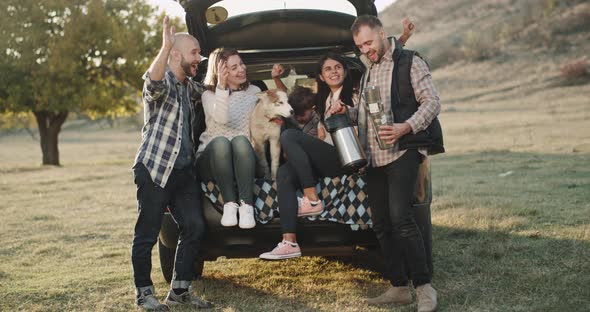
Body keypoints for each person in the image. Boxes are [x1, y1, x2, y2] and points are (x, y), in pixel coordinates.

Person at [259, 18, 416, 261]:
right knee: (285, 174)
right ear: (320, 77)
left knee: (291, 136)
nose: (333, 72)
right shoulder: (320, 102)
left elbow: (385, 59)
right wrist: (277, 79)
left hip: (348, 157)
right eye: (327, 69)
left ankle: (312, 199)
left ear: (344, 70)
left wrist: (403, 38)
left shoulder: (357, 91)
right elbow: (289, 103)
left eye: (337, 67)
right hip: (326, 157)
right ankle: (289, 241)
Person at [351, 15, 441, 312]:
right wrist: (349, 111)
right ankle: (399, 287)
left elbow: (431, 102)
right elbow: (367, 114)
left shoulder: (410, 61)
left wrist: (406, 127)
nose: (365, 49)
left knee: (401, 218)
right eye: (360, 46)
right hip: (374, 159)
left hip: (403, 152)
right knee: (381, 225)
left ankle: (425, 287)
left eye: (368, 42)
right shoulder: (367, 72)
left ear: (381, 33)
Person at [131, 16, 212, 310]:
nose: (199, 58)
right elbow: (151, 83)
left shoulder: (190, 88)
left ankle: (179, 291)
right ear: (175, 54)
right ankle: (143, 293)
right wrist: (165, 46)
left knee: (193, 226)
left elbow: (214, 94)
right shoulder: (162, 82)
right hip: (155, 170)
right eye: (194, 53)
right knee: (147, 233)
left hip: (183, 173)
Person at [196, 48, 259, 229]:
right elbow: (222, 119)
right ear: (221, 72)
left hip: (244, 158)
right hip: (212, 160)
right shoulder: (208, 95)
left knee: (240, 140)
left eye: (241, 63)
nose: (241, 69)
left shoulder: (254, 92)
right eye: (234, 67)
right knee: (222, 141)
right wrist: (222, 88)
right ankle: (230, 204)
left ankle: (246, 206)